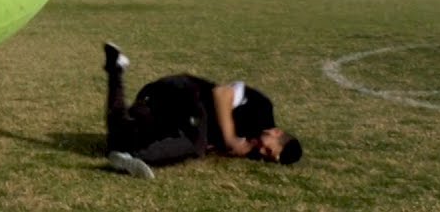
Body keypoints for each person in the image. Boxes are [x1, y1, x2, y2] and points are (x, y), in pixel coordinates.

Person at [102, 42, 302, 179]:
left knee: (119, 135)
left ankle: (115, 69)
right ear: (277, 133)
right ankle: (135, 158)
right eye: (269, 149)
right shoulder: (262, 108)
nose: (262, 151)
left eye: (266, 156)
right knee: (196, 145)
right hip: (187, 92)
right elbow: (222, 93)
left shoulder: (253, 148)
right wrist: (230, 138)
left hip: (164, 108)